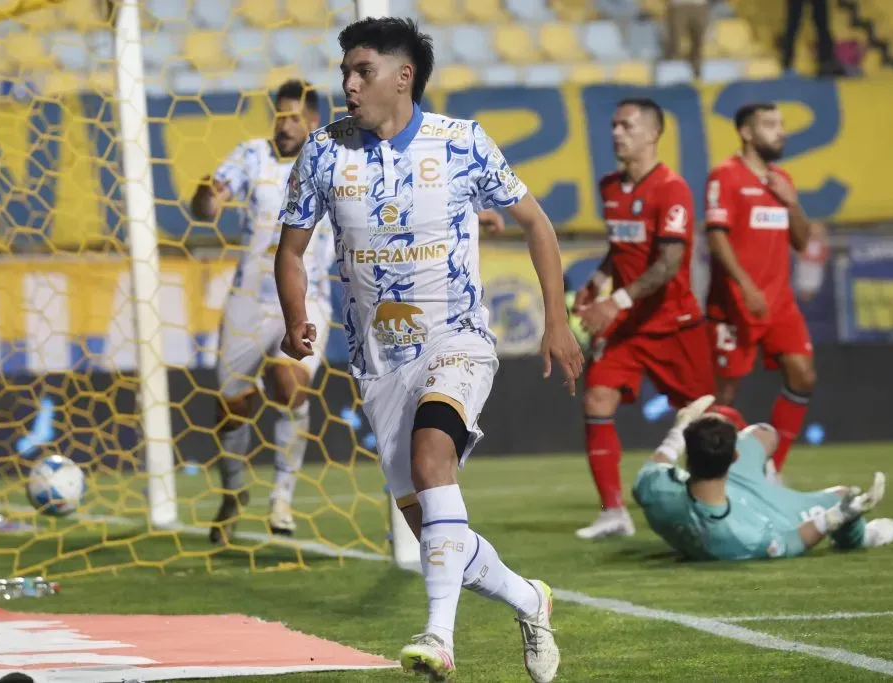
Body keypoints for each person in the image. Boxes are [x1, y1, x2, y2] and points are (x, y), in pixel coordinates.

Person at [274, 17, 582, 683]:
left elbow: (536, 222)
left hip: (458, 341)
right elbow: (292, 249)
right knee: (439, 532)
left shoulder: (463, 143)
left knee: (431, 453)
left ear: (402, 76)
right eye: (345, 71)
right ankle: (531, 598)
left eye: (362, 71)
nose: (348, 84)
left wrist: (557, 320)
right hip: (378, 364)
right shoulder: (325, 153)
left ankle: (439, 638)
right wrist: (296, 316)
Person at [191, 80, 336, 542]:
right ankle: (234, 491)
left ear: (313, 121)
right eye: (280, 116)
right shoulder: (251, 154)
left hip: (305, 296)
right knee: (233, 405)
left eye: (294, 117)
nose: (285, 125)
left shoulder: (333, 160)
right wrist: (207, 198)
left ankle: (282, 499)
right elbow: (211, 198)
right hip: (248, 299)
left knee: (288, 381)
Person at [572, 98, 715, 540]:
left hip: (673, 322)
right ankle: (613, 511)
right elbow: (622, 249)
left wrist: (615, 302)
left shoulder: (672, 189)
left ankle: (752, 475)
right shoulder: (610, 187)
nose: (616, 132)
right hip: (628, 328)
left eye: (627, 126)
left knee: (710, 419)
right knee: (597, 400)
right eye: (613, 125)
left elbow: (668, 263)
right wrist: (597, 281)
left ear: (652, 134)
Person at [633, 395, 893, 560]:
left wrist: (683, 423)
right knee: (844, 496)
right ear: (734, 456)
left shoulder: (656, 488)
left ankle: (768, 480)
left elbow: (658, 462)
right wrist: (836, 516)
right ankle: (863, 537)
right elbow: (791, 542)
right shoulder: (740, 535)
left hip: (717, 488)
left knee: (765, 434)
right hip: (764, 512)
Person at [704, 102, 815, 481]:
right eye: (770, 125)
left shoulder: (781, 179)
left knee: (803, 375)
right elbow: (717, 238)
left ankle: (772, 467)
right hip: (735, 304)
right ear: (747, 133)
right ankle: (710, 475)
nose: (780, 131)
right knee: (722, 397)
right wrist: (746, 286)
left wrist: (792, 202)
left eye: (781, 124)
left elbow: (801, 241)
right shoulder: (725, 175)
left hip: (779, 303)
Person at [665, 0, 710, 80]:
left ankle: (697, 73)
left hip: (699, 5)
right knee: (676, 43)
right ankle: (670, 76)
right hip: (678, 5)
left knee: (699, 42)